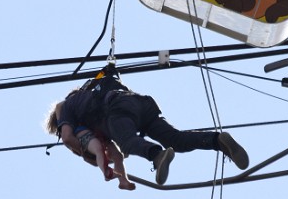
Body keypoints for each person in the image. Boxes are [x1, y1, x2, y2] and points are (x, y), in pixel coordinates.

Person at [45, 72, 249, 186]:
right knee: (175, 140)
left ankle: (157, 156)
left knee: (128, 142)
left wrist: (83, 153)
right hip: (140, 104)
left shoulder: (66, 109)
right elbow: (116, 155)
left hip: (117, 110)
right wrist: (120, 175)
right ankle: (217, 141)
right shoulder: (88, 100)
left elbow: (68, 138)